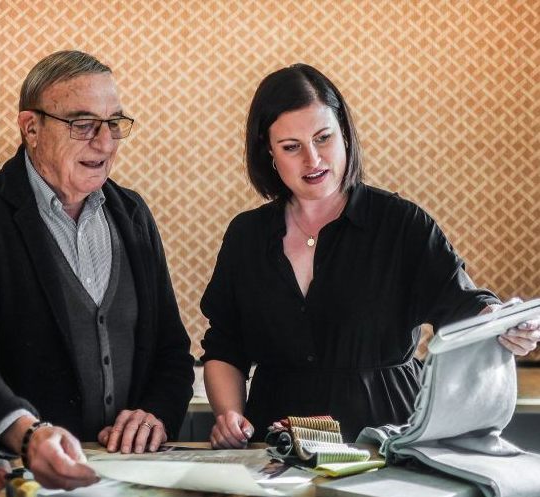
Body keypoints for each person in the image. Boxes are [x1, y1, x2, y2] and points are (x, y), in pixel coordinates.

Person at [200, 63, 540, 449]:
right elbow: (225, 345)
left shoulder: (402, 224)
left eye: (323, 138)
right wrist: (229, 414)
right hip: (277, 446)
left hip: (386, 439)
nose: (313, 159)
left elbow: (463, 305)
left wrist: (504, 325)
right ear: (269, 152)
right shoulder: (246, 236)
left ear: (345, 134)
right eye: (291, 147)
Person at [0, 50, 195, 489]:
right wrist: (27, 435)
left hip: (121, 475)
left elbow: (171, 350)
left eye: (113, 123)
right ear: (31, 128)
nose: (105, 143)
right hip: (15, 474)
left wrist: (156, 413)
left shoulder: (133, 214)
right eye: (84, 124)